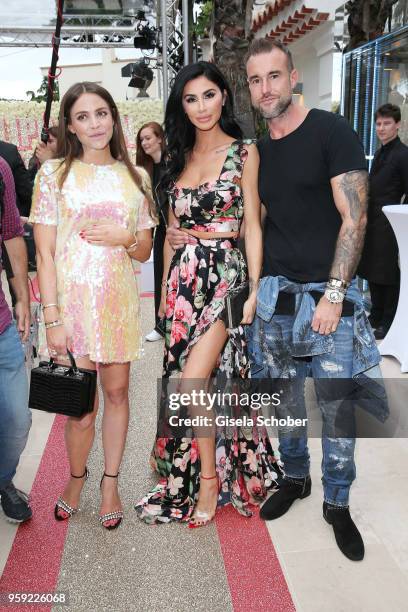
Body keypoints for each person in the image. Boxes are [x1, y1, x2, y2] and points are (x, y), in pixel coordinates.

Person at [243, 38, 381, 562]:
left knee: (337, 406)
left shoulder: (330, 130)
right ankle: (296, 477)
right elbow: (255, 222)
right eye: (255, 80)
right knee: (284, 399)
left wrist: (334, 294)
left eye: (273, 76)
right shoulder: (259, 150)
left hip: (329, 297)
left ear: (293, 76)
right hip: (278, 297)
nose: (265, 89)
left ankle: (338, 503)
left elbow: (356, 218)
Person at [135, 61, 282, 527]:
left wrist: (254, 287)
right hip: (182, 284)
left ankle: (209, 483)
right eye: (190, 98)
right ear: (182, 105)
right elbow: (171, 231)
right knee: (186, 380)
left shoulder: (245, 152)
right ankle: (196, 465)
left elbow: (253, 226)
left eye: (209, 95)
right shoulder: (176, 156)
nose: (201, 107)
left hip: (225, 279)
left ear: (224, 96)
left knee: (193, 380)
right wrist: (162, 293)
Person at [29, 82, 157, 530]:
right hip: (74, 311)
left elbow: (143, 250)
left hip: (119, 305)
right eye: (83, 117)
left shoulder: (136, 176)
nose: (95, 124)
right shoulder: (54, 175)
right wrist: (52, 319)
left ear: (114, 118)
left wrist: (127, 238)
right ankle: (75, 479)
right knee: (80, 407)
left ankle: (110, 482)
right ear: (71, 125)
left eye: (101, 113)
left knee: (118, 395)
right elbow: (43, 254)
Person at [358, 103, 408, 339]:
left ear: (397, 125)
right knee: (373, 270)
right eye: (378, 123)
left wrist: (400, 217)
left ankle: (388, 320)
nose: (381, 128)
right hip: (374, 221)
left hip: (391, 223)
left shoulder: (403, 154)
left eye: (387, 123)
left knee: (388, 274)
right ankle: (376, 314)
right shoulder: (380, 152)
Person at [0, 155, 32, 523]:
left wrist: (21, 296)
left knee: (16, 422)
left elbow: (10, 233)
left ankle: (3, 479)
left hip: (0, 323)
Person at [136, 121, 167, 342]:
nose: (144, 143)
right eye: (142, 139)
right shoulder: (146, 170)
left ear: (159, 138)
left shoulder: (173, 164)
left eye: (148, 138)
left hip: (176, 229)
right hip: (160, 229)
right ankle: (160, 325)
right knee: (159, 276)